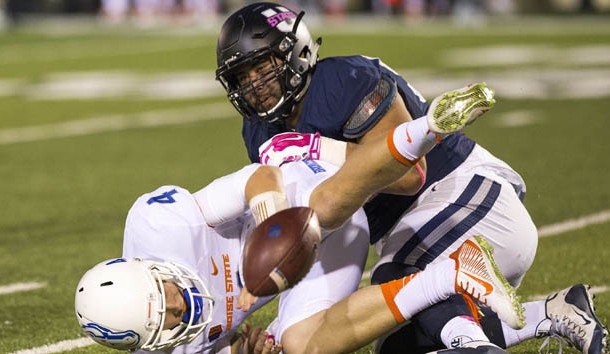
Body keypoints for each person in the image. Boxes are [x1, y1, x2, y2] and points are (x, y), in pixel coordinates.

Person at [214, 2, 608, 354]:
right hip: (423, 233)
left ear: (294, 54)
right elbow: (305, 229)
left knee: (397, 278)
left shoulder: (341, 81)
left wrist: (323, 151)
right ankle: (552, 312)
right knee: (397, 343)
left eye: (261, 69)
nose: (254, 87)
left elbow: (409, 176)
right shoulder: (259, 132)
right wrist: (285, 324)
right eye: (242, 78)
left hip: (463, 197)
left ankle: (472, 347)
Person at [75, 162, 525, 354]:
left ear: (154, 272)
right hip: (321, 259)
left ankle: (408, 146)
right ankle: (453, 273)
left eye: (168, 295)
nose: (181, 307)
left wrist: (274, 231)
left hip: (303, 200)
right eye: (169, 322)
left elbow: (260, 175)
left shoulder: (160, 226)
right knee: (299, 344)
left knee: (323, 205)